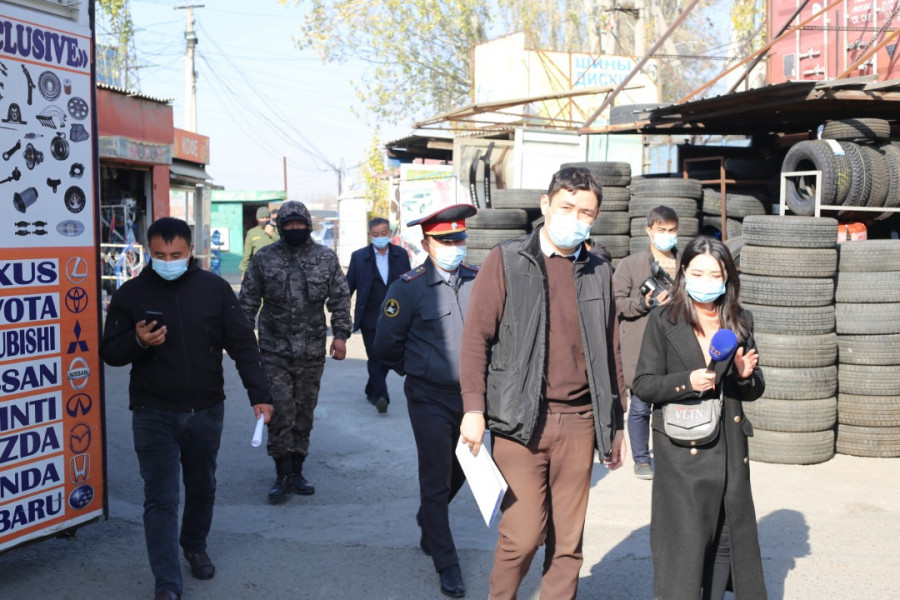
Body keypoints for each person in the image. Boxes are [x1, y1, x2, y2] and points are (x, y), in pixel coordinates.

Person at [459, 167, 626, 600]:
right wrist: (473, 408)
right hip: (521, 420)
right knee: (523, 535)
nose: (576, 218)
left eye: (586, 212)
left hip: (580, 421)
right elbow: (476, 338)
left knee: (567, 544)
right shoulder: (507, 260)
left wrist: (615, 423)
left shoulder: (599, 270)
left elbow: (611, 350)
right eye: (567, 207)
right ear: (546, 204)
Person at [99, 217, 274, 600]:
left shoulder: (214, 289)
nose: (168, 261)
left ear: (190, 251)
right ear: (149, 252)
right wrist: (137, 341)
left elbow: (242, 344)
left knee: (201, 485)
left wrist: (259, 394)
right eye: (159, 255)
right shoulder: (131, 293)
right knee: (160, 498)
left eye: (176, 254)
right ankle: (167, 582)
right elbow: (109, 351)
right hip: (153, 412)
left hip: (206, 410)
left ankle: (194, 545)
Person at [632, 236, 767, 600]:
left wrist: (744, 376)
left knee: (724, 543)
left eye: (715, 274)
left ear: (727, 278)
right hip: (682, 453)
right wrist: (686, 383)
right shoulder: (664, 320)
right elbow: (644, 384)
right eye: (697, 273)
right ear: (684, 275)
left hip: (729, 451)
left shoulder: (740, 321)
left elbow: (755, 388)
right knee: (685, 552)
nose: (706, 281)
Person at [375, 204, 479, 598]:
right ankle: (446, 563)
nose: (454, 246)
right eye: (445, 240)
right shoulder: (408, 286)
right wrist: (417, 369)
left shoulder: (478, 280)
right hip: (429, 396)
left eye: (459, 238)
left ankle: (428, 519)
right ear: (426, 244)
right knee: (436, 476)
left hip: (472, 397)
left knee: (465, 469)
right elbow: (386, 345)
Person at [239, 200, 351, 503]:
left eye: (299, 225)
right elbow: (247, 302)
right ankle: (281, 473)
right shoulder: (264, 259)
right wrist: (242, 342)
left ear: (308, 226)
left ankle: (297, 470)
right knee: (279, 411)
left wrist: (341, 335)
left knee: (304, 413)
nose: (294, 229)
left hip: (311, 351)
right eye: (288, 225)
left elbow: (340, 299)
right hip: (273, 350)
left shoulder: (325, 258)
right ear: (280, 227)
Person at [613, 205, 680, 480]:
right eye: (661, 230)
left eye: (672, 230)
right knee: (641, 406)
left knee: (674, 404)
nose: (667, 235)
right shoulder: (631, 264)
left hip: (676, 344)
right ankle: (641, 459)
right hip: (643, 346)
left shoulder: (687, 264)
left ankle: (672, 456)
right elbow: (615, 302)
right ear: (649, 231)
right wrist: (644, 303)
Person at [346, 217, 411, 413]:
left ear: (389, 233)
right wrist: (339, 309)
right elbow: (348, 286)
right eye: (376, 234)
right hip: (370, 317)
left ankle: (371, 388)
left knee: (389, 355)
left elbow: (409, 284)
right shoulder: (359, 257)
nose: (380, 237)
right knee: (375, 355)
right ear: (369, 235)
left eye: (383, 233)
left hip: (395, 316)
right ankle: (381, 396)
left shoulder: (401, 255)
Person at [239, 206, 279, 275]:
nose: (265, 220)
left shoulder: (277, 230)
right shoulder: (252, 233)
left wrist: (272, 234)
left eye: (267, 217)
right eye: (262, 218)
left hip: (275, 269)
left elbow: (284, 245)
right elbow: (247, 256)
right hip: (258, 270)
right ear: (258, 219)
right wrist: (244, 272)